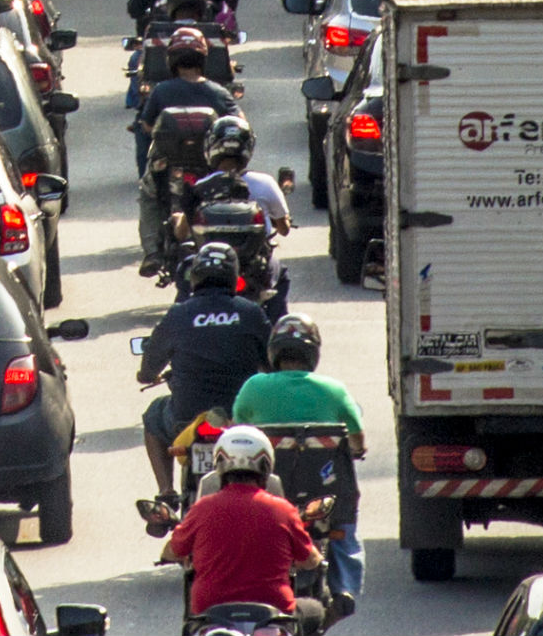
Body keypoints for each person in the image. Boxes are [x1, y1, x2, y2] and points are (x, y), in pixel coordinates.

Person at [230, 317, 370, 611]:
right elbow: (356, 436)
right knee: (343, 531)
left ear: (274, 352)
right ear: (313, 352)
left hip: (266, 491)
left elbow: (237, 430)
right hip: (326, 494)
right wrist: (357, 449)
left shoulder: (254, 387)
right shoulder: (333, 389)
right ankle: (344, 589)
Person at [137, 247, 276, 504]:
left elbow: (148, 370)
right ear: (234, 276)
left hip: (186, 419)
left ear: (195, 276)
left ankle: (166, 493)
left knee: (153, 417)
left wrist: (145, 375)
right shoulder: (251, 313)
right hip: (242, 418)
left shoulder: (178, 314)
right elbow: (273, 364)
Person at [163, 425, 330, 622]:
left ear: (220, 465)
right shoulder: (283, 510)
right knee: (315, 610)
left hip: (209, 611)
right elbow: (310, 560)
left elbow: (172, 552)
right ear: (266, 466)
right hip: (273, 611)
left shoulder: (202, 508)